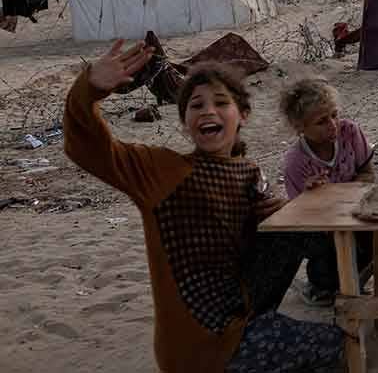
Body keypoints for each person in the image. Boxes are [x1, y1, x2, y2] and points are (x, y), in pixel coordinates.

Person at [63, 41, 344, 373]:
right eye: (196, 105)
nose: (208, 111)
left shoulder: (248, 172)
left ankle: (326, 291)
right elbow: (89, 149)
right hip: (202, 344)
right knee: (341, 347)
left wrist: (308, 201)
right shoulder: (161, 171)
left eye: (221, 103)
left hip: (242, 310)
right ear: (185, 121)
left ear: (242, 116)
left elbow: (282, 225)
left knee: (296, 228)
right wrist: (89, 88)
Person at [281, 79, 375, 307]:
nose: (333, 124)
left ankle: (351, 279)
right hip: (322, 226)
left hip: (356, 211)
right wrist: (312, 195)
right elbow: (301, 214)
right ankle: (320, 283)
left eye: (334, 114)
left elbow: (367, 171)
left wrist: (347, 198)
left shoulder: (350, 132)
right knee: (330, 270)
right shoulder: (296, 162)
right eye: (322, 121)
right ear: (300, 127)